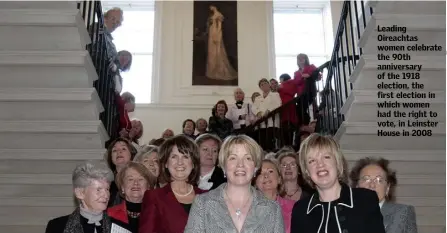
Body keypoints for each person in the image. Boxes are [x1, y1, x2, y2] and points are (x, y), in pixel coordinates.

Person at [184, 135, 284, 233]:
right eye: (233, 158)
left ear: (256, 167)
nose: (240, 164)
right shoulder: (202, 204)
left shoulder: (273, 209)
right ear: (223, 166)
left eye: (248, 158)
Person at [290, 133, 385, 233]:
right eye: (312, 161)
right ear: (307, 171)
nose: (320, 164)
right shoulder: (300, 210)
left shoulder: (365, 199)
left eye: (326, 157)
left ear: (337, 162)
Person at [139, 135, 206, 233]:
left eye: (185, 156)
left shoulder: (207, 197)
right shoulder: (154, 197)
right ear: (166, 163)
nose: (180, 162)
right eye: (174, 157)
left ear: (193, 163)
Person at [350, 157, 418, 233]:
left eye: (379, 180)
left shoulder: (403, 213)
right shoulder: (346, 215)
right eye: (366, 179)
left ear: (387, 188)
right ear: (357, 186)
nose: (372, 185)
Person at [45, 161, 114, 233]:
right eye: (98, 189)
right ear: (80, 193)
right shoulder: (57, 227)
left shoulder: (119, 228)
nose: (106, 195)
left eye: (107, 189)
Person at [107, 162, 157, 233]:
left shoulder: (158, 215)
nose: (136, 183)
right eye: (130, 179)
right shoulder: (109, 214)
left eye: (140, 179)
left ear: (148, 186)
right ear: (122, 187)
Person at [254, 159, 295, 233]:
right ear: (255, 182)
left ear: (279, 179)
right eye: (260, 173)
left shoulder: (294, 207)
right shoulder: (248, 210)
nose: (266, 176)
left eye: (270, 171)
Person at [206, 5, 237, 80]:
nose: (210, 8)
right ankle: (212, 70)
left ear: (214, 6)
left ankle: (219, 70)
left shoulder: (218, 15)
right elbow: (210, 24)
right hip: (211, 33)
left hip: (215, 34)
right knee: (212, 52)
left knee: (217, 51)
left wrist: (217, 36)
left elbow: (219, 27)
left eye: (211, 6)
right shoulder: (212, 15)